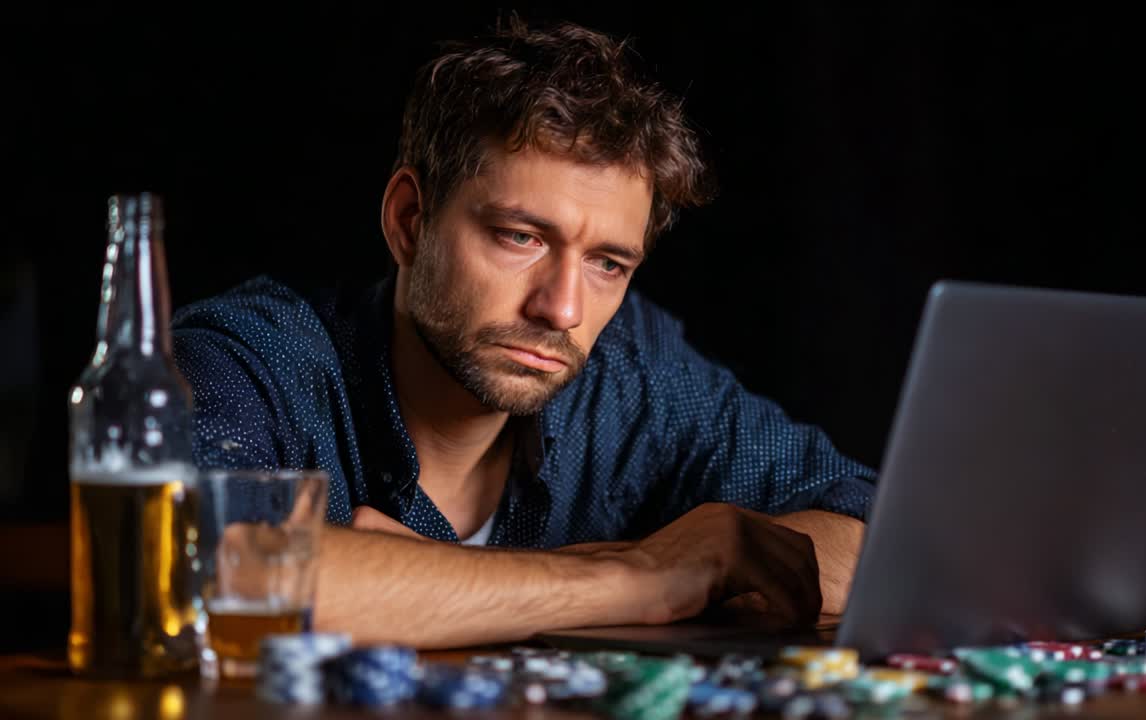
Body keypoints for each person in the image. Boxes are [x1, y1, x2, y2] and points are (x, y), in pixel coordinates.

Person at [173, 19, 876, 647]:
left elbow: (877, 536)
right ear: (410, 221)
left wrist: (429, 582)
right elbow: (204, 566)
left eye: (607, 263)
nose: (563, 310)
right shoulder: (251, 358)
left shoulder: (635, 373)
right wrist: (643, 575)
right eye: (521, 237)